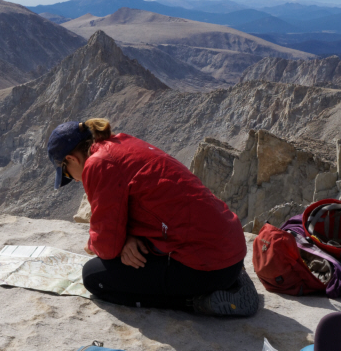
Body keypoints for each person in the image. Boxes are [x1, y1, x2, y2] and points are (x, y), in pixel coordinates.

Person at [47, 118, 259, 316]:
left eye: (66, 173)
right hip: (230, 248)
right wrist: (127, 238)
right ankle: (228, 279)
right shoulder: (120, 142)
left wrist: (109, 242)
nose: (74, 180)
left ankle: (201, 301)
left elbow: (106, 248)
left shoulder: (99, 163)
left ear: (71, 158)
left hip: (208, 265)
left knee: (94, 277)